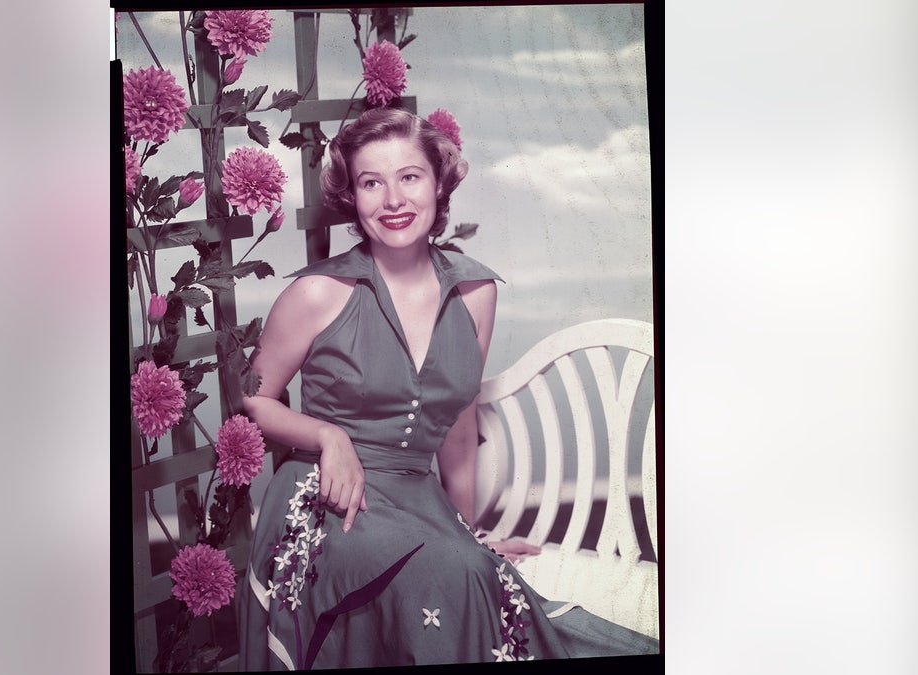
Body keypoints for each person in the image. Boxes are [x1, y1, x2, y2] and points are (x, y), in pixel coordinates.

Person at [237, 107, 658, 669]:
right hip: (329, 497)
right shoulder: (316, 293)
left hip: (419, 497)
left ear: (438, 184)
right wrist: (328, 434)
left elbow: (459, 426)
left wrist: (466, 532)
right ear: (352, 197)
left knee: (472, 574)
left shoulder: (476, 290)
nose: (392, 200)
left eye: (409, 177)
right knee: (454, 579)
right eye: (371, 182)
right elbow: (254, 398)